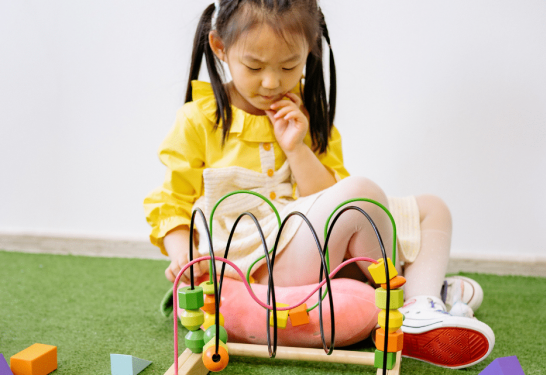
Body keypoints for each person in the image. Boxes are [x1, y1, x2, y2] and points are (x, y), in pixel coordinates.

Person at [144, 0, 494, 369]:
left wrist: (296, 148)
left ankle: (423, 304)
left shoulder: (306, 111)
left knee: (430, 207)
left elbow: (328, 199)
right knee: (361, 193)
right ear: (220, 47)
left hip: (314, 245)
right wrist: (181, 252)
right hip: (257, 262)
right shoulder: (199, 119)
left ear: (309, 50)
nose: (271, 82)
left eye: (289, 65)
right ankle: (416, 292)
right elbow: (171, 201)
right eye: (254, 66)